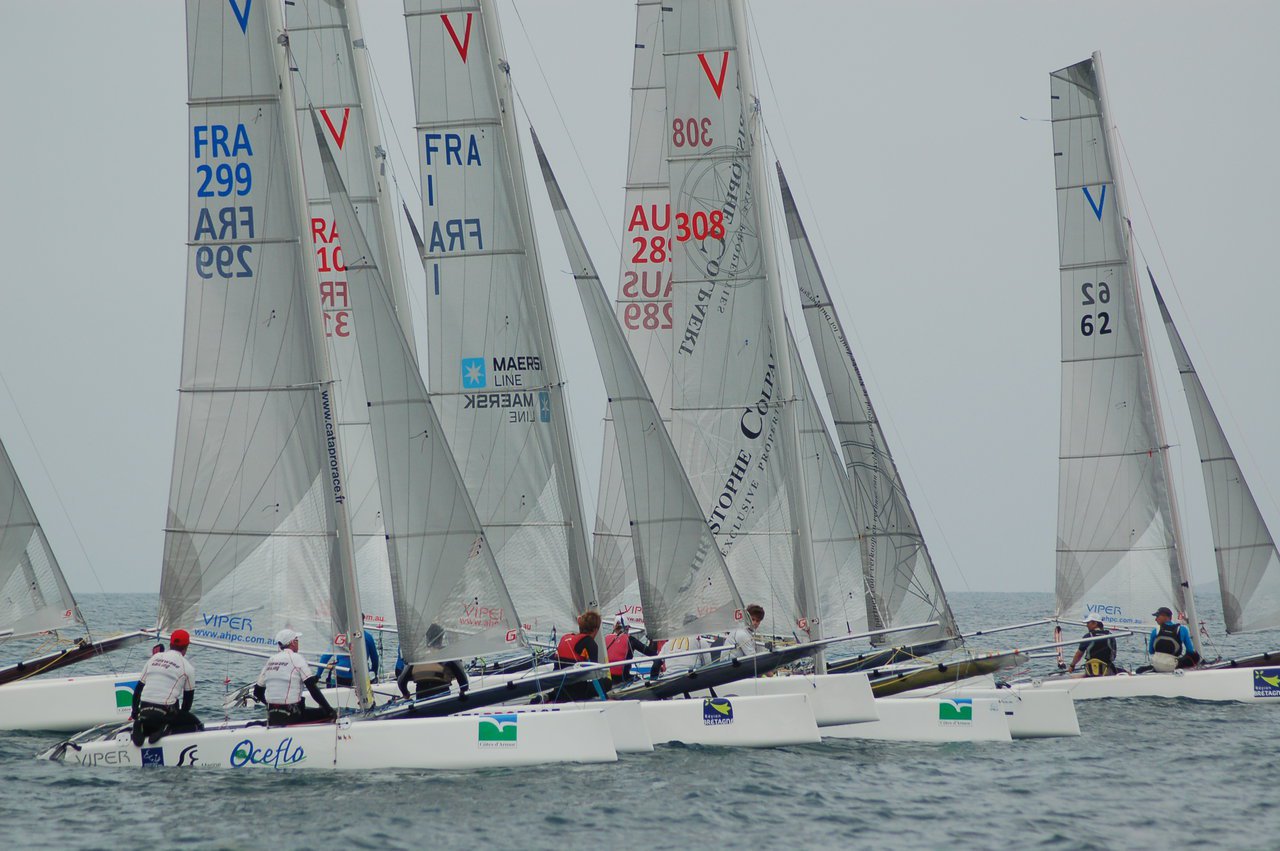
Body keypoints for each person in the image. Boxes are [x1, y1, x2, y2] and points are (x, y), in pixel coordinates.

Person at [130, 629, 203, 746]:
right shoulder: (188, 667)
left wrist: (134, 713)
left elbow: (138, 689)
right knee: (197, 725)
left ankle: (140, 724)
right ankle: (168, 729)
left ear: (170, 643)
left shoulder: (154, 658)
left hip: (144, 711)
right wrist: (179, 721)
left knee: (153, 715)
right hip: (163, 715)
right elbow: (187, 704)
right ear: (186, 647)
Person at [252, 629, 337, 727]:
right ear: (292, 642)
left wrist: (274, 707)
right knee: (328, 712)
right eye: (297, 640)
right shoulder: (297, 658)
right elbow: (311, 687)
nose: (298, 643)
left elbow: (257, 692)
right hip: (293, 716)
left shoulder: (271, 660)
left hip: (272, 715)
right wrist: (329, 710)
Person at [396, 624, 468, 701]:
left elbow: (401, 682)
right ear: (441, 638)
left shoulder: (417, 658)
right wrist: (462, 692)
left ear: (427, 638)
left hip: (421, 700)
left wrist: (406, 694)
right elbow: (463, 681)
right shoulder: (448, 655)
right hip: (443, 700)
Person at [551, 610, 608, 701]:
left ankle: (549, 696)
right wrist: (605, 697)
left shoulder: (565, 638)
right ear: (595, 629)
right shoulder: (590, 643)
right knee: (607, 682)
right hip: (576, 692)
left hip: (558, 690)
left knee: (566, 685)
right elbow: (594, 674)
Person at [604, 618, 659, 682]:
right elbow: (652, 653)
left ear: (614, 627)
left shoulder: (606, 638)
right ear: (627, 628)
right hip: (623, 678)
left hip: (607, 678)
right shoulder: (631, 640)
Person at [1147, 607, 1199, 672]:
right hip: (1171, 666)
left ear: (1165, 617)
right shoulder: (1182, 629)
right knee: (1195, 656)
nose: (1155, 619)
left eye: (1157, 616)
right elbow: (1190, 650)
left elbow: (1151, 651)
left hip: (1156, 665)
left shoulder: (1155, 631)